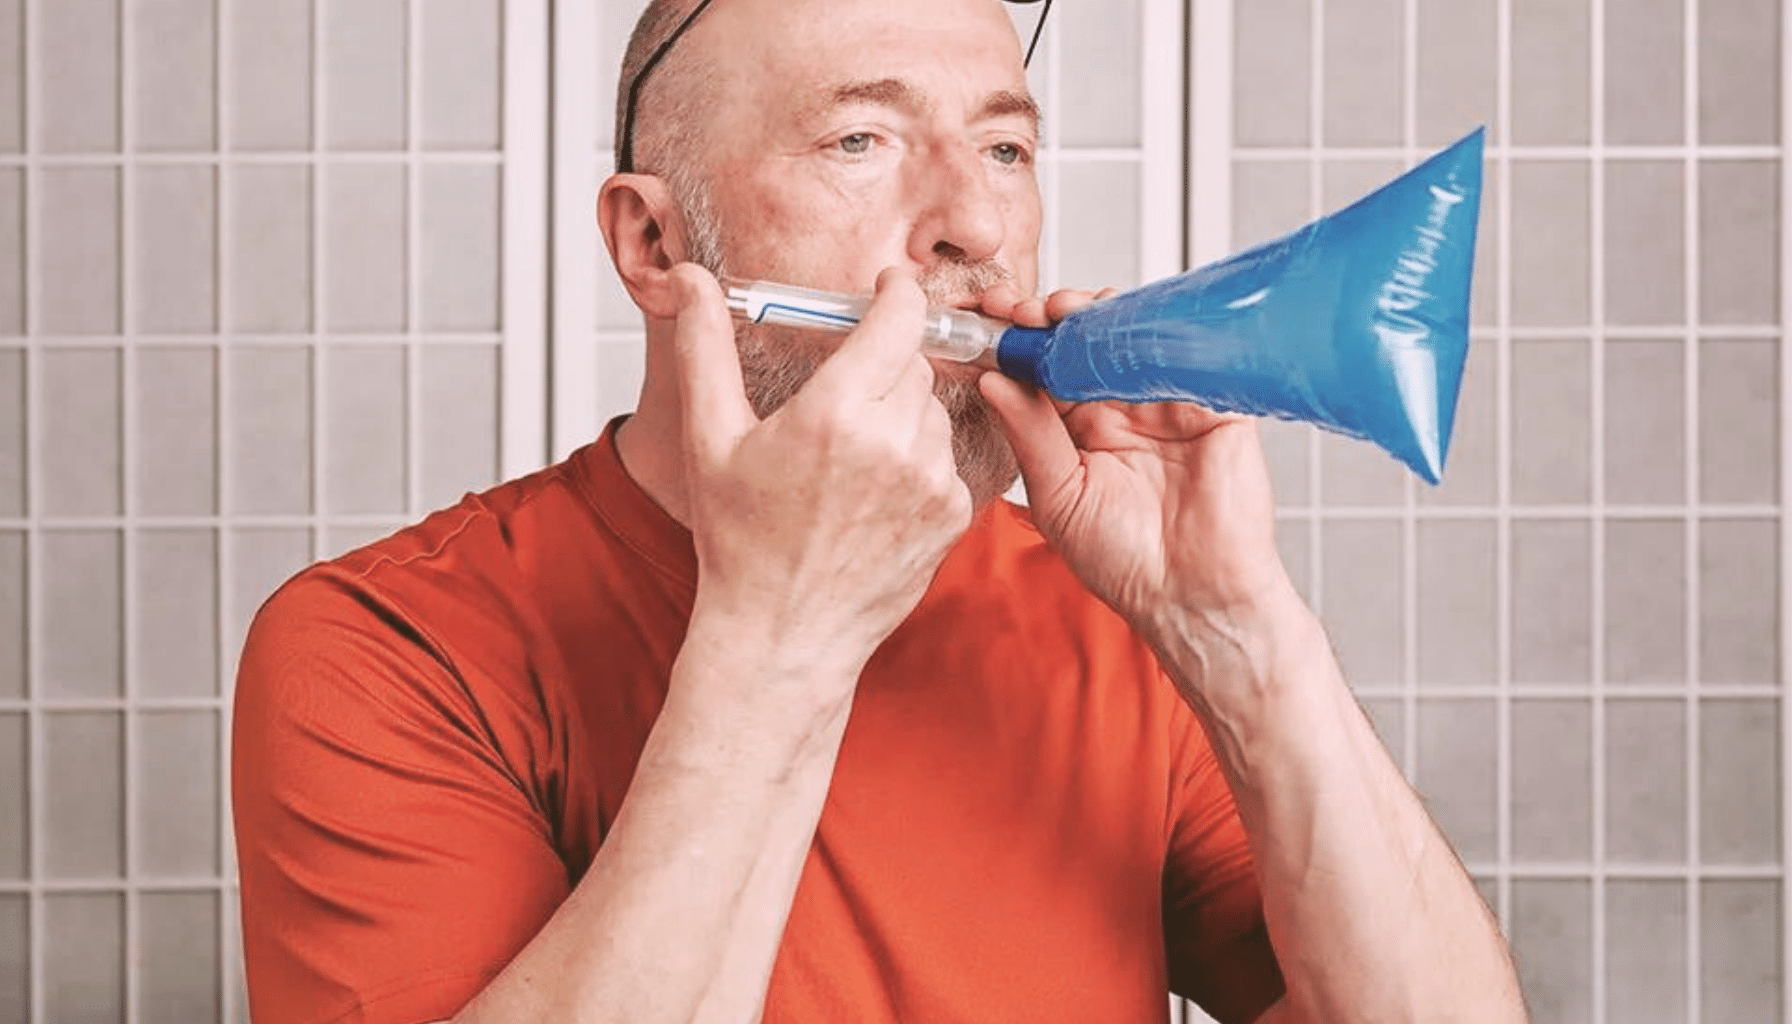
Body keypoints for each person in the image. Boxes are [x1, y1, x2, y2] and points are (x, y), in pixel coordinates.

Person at [232, 0, 1530, 1021]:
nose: (972, 223)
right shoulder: (384, 647)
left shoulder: (1108, 624)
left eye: (1006, 147)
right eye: (862, 139)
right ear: (651, 248)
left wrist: (1240, 637)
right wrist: (778, 638)